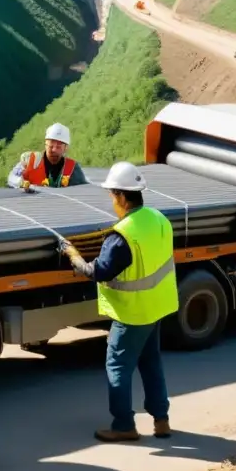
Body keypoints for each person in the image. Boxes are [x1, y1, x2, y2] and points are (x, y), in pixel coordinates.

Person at [58, 161, 179, 442]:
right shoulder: (159, 219)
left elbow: (98, 271)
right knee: (151, 362)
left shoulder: (122, 235)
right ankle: (161, 420)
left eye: (112, 195)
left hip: (132, 313)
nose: (112, 201)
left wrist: (73, 256)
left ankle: (124, 425)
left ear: (123, 196)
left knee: (117, 366)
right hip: (156, 306)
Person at [7, 122, 87, 192]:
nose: (54, 150)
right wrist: (20, 182)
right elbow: (11, 178)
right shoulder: (31, 160)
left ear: (65, 148)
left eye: (58, 147)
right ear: (45, 144)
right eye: (51, 146)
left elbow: (84, 189)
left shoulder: (72, 168)